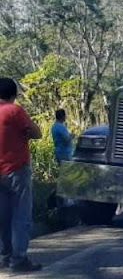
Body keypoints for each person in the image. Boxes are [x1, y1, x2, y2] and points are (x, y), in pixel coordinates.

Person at [0, 78, 43, 272]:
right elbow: (37, 133)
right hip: (16, 169)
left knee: (3, 215)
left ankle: (5, 255)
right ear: (13, 94)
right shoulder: (14, 110)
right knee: (21, 214)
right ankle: (19, 259)